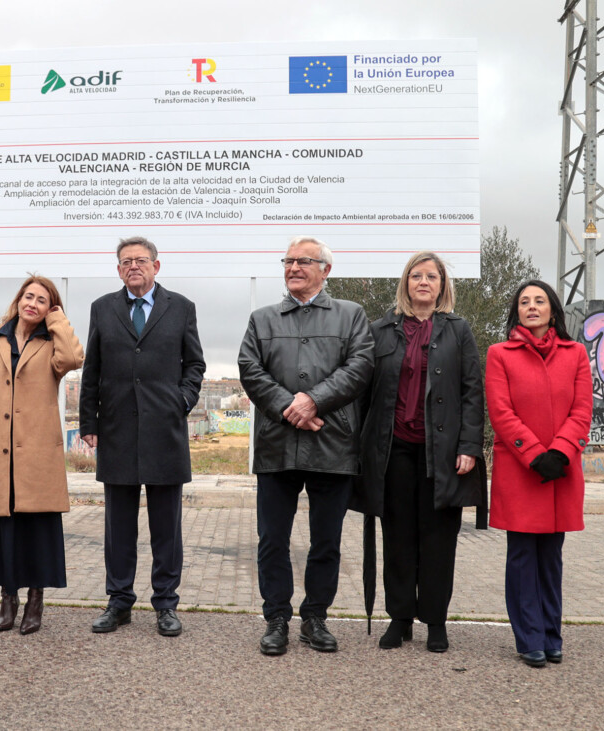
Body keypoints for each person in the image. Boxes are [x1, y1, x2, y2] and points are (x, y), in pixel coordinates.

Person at [238, 236, 374, 656]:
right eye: (288, 261)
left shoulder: (351, 315)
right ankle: (276, 618)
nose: (294, 267)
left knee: (326, 541)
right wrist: (288, 406)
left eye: (304, 261)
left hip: (332, 443)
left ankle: (315, 617)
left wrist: (313, 401)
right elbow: (249, 368)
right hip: (276, 445)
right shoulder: (262, 319)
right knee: (271, 540)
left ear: (325, 270)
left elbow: (361, 365)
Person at [354, 251, 484, 653]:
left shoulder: (458, 330)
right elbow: (363, 393)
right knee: (397, 538)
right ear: (405, 283)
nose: (423, 282)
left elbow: (472, 391)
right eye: (416, 276)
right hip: (393, 451)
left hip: (442, 455)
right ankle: (400, 619)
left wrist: (469, 446)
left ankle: (436, 621)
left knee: (439, 540)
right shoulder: (380, 330)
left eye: (431, 276)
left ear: (442, 285)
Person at [79, 236, 205, 637]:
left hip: (165, 431)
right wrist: (88, 423)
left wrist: (180, 401)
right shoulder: (102, 308)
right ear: (118, 270)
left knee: (166, 528)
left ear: (156, 266)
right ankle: (119, 603)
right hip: (116, 431)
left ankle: (166, 604)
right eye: (126, 261)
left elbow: (195, 364)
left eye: (140, 260)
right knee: (118, 529)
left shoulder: (181, 307)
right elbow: (92, 370)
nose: (133, 266)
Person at [0, 276, 84, 635]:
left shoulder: (52, 343)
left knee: (37, 532)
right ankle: (8, 597)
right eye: (28, 296)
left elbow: (74, 358)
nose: (32, 303)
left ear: (50, 309)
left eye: (42, 300)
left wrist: (58, 320)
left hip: (37, 453)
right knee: (3, 529)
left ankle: (35, 599)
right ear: (18, 300)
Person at [486, 280, 591, 667]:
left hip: (561, 470)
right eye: (524, 302)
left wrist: (560, 451)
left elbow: (582, 409)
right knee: (522, 557)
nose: (532, 306)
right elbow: (500, 411)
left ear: (552, 310)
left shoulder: (576, 353)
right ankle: (529, 637)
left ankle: (551, 635)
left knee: (551, 557)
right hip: (520, 471)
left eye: (539, 301)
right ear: (517, 311)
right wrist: (533, 455)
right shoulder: (499, 354)